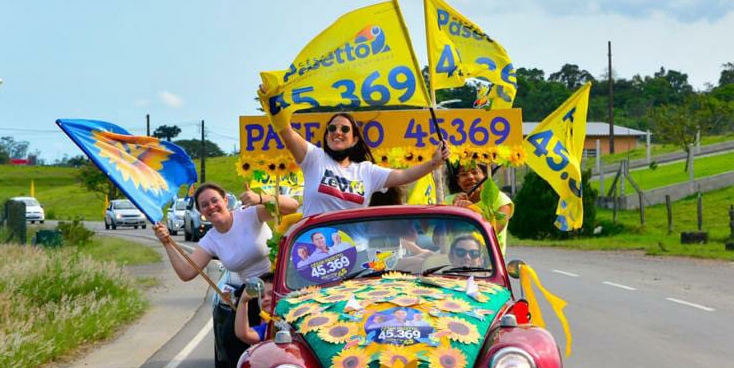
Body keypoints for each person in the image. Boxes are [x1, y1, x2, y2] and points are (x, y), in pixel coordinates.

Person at [266, 109, 449, 216]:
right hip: (314, 251)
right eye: (332, 128)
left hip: (353, 252)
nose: (337, 131)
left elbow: (405, 175)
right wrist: (274, 104)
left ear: (354, 140)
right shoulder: (314, 158)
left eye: (344, 129)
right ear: (327, 136)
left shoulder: (366, 171)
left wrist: (434, 163)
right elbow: (286, 132)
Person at [153, 182, 299, 289]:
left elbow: (292, 206)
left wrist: (261, 199)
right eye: (204, 205)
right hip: (255, 295)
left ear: (225, 201)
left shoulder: (249, 213)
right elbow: (187, 273)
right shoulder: (209, 241)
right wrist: (167, 243)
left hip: (284, 283)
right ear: (200, 212)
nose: (211, 206)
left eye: (215, 200)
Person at [448, 161, 513, 252]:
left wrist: (472, 209)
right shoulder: (449, 201)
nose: (470, 177)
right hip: (454, 260)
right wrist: (453, 211)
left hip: (488, 262)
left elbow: (492, 232)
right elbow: (436, 239)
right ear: (458, 181)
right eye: (464, 174)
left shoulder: (501, 200)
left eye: (475, 172)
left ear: (485, 175)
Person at [234, 274, 274, 344]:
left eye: (271, 294)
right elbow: (243, 334)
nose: (266, 299)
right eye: (261, 296)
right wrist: (243, 301)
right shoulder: (267, 328)